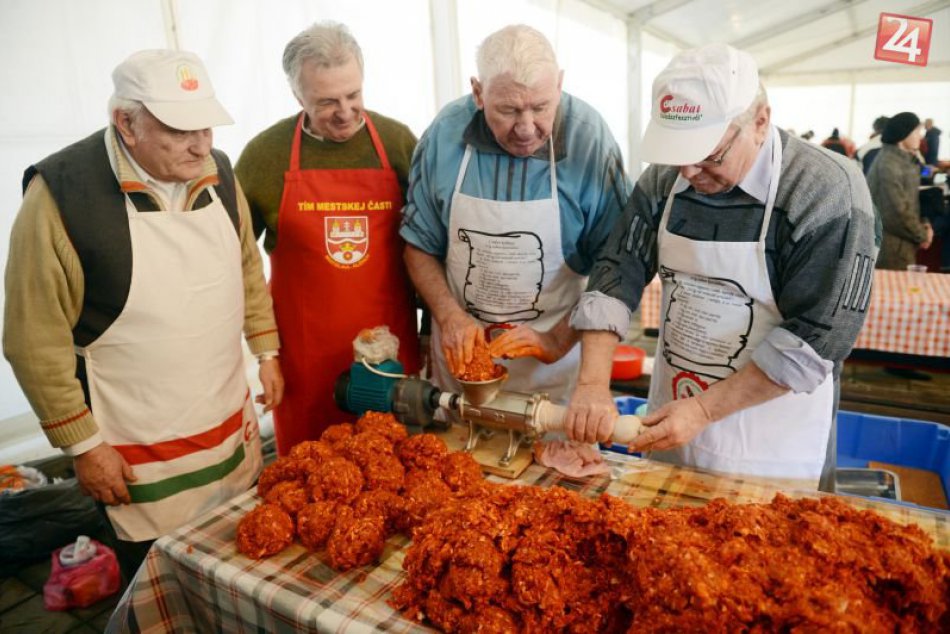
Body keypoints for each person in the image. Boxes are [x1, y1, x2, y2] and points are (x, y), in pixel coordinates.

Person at [4, 50, 283, 580]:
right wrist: (83, 447)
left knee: (237, 568)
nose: (202, 145)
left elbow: (246, 262)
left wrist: (265, 350)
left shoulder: (218, 171)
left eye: (206, 125)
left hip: (225, 425)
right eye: (180, 131)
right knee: (160, 581)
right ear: (125, 124)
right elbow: (30, 338)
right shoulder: (60, 195)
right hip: (136, 449)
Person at [565, 44, 879, 492]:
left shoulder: (827, 192)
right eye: (679, 155)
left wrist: (706, 411)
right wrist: (593, 382)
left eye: (709, 156)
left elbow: (817, 336)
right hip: (671, 414)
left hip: (769, 441)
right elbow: (617, 270)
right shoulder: (663, 180)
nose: (690, 172)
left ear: (760, 121)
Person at [400, 24, 631, 405]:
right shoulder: (445, 134)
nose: (526, 129)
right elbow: (418, 244)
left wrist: (556, 340)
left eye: (541, 108)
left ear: (559, 85)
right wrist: (448, 315)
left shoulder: (589, 140)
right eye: (507, 110)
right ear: (478, 92)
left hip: (554, 373)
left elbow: (617, 264)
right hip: (462, 371)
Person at [236, 22, 420, 455]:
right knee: (308, 475)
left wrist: (430, 330)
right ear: (297, 95)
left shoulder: (397, 143)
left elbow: (430, 246)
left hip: (389, 353)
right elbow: (237, 263)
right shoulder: (265, 155)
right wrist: (264, 356)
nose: (345, 112)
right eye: (326, 102)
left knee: (394, 468)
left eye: (353, 95)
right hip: (304, 361)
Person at [868, 112, 949, 270]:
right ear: (903, 134)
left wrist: (925, 223)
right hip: (890, 247)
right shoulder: (889, 164)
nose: (921, 137)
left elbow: (911, 201)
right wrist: (922, 234)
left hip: (902, 242)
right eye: (917, 131)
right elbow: (894, 212)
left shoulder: (903, 160)